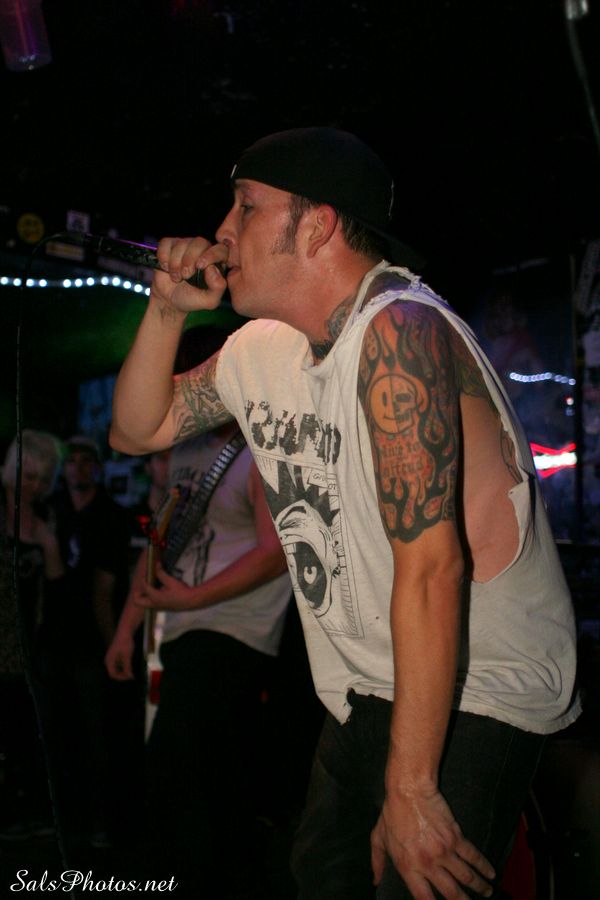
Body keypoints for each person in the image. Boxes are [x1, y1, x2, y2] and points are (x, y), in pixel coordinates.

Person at [109, 127, 580, 899]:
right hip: (368, 679)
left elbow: (433, 568)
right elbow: (136, 429)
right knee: (321, 878)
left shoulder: (400, 332)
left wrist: (412, 787)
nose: (221, 231)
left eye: (246, 207)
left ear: (317, 226)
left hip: (481, 684)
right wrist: (165, 309)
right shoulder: (261, 349)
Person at [105, 329, 292, 898]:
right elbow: (160, 544)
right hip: (179, 627)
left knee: (184, 773)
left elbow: (276, 553)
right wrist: (125, 630)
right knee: (198, 780)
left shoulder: (261, 448)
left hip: (233, 633)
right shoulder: (184, 449)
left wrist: (189, 599)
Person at [37, 434, 132, 850]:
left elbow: (105, 590)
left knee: (96, 733)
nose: (77, 467)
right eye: (71, 460)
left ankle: (99, 820)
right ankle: (62, 817)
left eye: (85, 460)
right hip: (51, 637)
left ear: (96, 466)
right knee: (55, 729)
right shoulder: (51, 509)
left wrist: (113, 643)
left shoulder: (110, 515)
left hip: (90, 640)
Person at [0, 430, 63, 839]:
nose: (34, 485)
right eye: (28, 475)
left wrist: (49, 545)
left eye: (42, 478)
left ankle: (24, 812)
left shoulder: (46, 522)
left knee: (25, 730)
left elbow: (57, 588)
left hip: (28, 644)